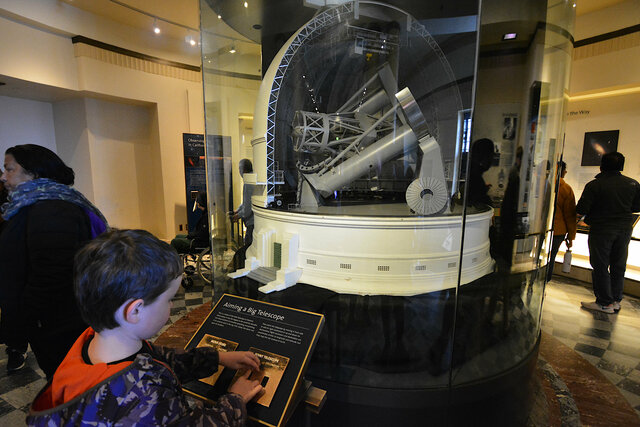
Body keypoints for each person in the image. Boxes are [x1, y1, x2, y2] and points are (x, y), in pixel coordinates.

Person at [27, 229, 264, 425]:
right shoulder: (145, 394)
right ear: (135, 311)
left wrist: (218, 357)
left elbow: (155, 357)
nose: (171, 305)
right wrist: (235, 400)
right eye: (169, 298)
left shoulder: (94, 342)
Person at [0, 144, 108, 378]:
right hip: (55, 318)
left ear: (34, 173)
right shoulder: (41, 204)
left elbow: (53, 274)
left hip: (57, 322)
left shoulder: (51, 209)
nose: (3, 176)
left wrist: (29, 316)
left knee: (67, 379)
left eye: (9, 169)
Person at [577, 152, 640, 314]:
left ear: (602, 165)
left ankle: (604, 302)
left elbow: (582, 209)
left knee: (600, 264)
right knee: (619, 265)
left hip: (602, 229)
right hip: (625, 228)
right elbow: (637, 207)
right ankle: (616, 300)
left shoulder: (595, 185)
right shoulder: (633, 184)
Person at [546, 161, 577, 282]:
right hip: (558, 230)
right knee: (551, 256)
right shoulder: (566, 189)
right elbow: (570, 215)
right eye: (564, 169)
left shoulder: (543, 185)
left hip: (542, 228)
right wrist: (571, 236)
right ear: (561, 171)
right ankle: (546, 280)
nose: (566, 172)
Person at [232, 159, 255, 248]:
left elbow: (247, 209)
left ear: (243, 169)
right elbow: (246, 202)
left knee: (248, 247)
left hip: (252, 223)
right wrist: (237, 211)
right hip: (254, 222)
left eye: (239, 169)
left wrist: (238, 215)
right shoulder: (252, 178)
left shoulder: (248, 182)